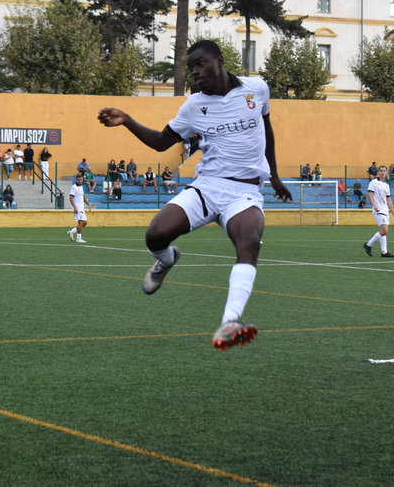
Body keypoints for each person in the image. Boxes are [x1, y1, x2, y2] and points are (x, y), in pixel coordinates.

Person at [98, 39, 291, 351]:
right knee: (155, 235)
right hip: (207, 186)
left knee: (249, 242)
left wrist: (275, 175)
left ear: (219, 60)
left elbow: (266, 130)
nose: (196, 72)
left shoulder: (257, 89)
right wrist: (128, 121)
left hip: (245, 192)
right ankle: (166, 260)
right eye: (191, 68)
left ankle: (230, 321)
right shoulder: (192, 107)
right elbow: (162, 142)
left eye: (201, 64)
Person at [363, 165, 394, 258]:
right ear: (378, 172)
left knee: (383, 231)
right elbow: (370, 195)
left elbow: (389, 200)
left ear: (386, 173)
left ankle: (384, 252)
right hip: (378, 210)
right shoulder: (373, 182)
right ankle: (368, 245)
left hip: (385, 210)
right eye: (381, 170)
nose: (383, 172)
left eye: (384, 171)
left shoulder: (386, 185)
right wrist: (374, 206)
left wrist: (393, 213)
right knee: (384, 230)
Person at [67, 173, 92, 243]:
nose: (80, 181)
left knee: (85, 223)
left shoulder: (81, 187)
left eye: (81, 179)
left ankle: (71, 232)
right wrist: (74, 207)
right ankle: (78, 238)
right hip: (77, 208)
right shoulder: (74, 187)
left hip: (82, 208)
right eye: (78, 179)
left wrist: (88, 204)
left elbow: (83, 197)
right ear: (76, 180)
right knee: (81, 223)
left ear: (83, 180)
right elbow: (71, 198)